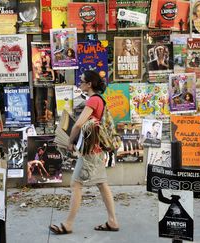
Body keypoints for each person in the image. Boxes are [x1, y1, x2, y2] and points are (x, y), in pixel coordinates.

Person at [49, 70, 119, 234]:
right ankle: (113, 221)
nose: (79, 83)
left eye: (82, 81)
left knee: (76, 184)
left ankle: (68, 225)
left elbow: (78, 125)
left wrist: (70, 141)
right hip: (97, 150)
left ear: (89, 84)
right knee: (102, 184)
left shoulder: (93, 101)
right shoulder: (98, 100)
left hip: (90, 152)